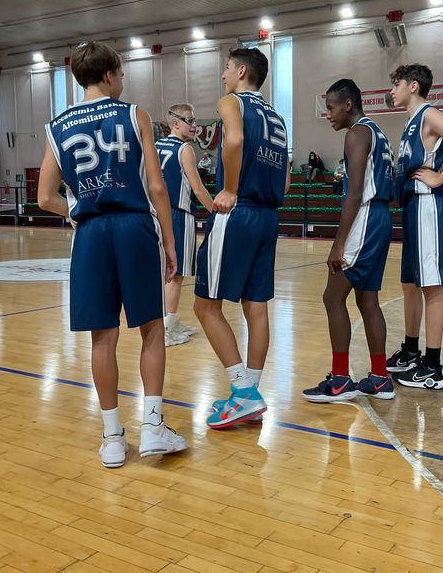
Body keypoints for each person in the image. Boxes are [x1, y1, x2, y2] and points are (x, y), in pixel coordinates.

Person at [38, 40, 186, 468]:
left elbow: (45, 197)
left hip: (90, 233)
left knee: (102, 337)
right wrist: (170, 241)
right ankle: (153, 427)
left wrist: (77, 210)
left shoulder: (57, 125)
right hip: (134, 227)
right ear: (108, 75)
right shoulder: (134, 114)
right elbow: (157, 186)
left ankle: (112, 439)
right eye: (120, 74)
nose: (122, 81)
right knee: (152, 328)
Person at [193, 48, 290, 428]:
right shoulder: (277, 118)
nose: (223, 76)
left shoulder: (232, 102)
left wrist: (230, 188)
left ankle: (243, 391)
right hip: (268, 216)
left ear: (242, 71)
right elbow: (284, 177)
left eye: (227, 68)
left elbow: (233, 140)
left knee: (205, 306)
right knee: (257, 307)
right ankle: (251, 394)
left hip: (239, 212)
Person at [386, 63, 443, 389]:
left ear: (413, 85)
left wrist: (440, 177)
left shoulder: (429, 114)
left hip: (428, 205)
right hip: (412, 206)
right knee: (410, 284)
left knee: (431, 285)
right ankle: (411, 350)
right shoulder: (411, 121)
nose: (392, 91)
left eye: (396, 84)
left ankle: (433, 366)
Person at [302, 79, 395, 403]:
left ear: (348, 105)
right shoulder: (377, 131)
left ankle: (341, 380)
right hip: (380, 218)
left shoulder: (357, 133)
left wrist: (339, 243)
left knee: (332, 297)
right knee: (368, 300)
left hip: (365, 218)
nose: (328, 114)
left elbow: (355, 192)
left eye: (331, 108)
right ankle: (380, 378)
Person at [156, 104, 214, 346]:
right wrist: (217, 213)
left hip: (155, 214)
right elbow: (198, 189)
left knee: (163, 272)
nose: (194, 125)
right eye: (188, 120)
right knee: (176, 274)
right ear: (174, 123)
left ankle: (168, 321)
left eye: (194, 120)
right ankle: (166, 327)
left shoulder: (155, 146)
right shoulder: (185, 149)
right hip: (178, 214)